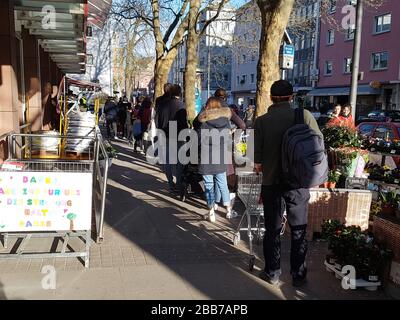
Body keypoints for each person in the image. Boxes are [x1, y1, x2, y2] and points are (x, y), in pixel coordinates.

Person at [254, 80, 322, 287]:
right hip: (298, 183)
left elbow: (257, 161)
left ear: (271, 97)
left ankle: (272, 272)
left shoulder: (262, 121)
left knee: (272, 229)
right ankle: (298, 276)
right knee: (299, 229)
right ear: (291, 97)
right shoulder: (305, 116)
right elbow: (317, 147)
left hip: (272, 183)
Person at [197, 97, 236, 222]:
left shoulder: (204, 124)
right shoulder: (226, 123)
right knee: (223, 184)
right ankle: (229, 210)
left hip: (207, 159)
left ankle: (211, 211)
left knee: (208, 185)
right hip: (220, 158)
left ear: (207, 108)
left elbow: (198, 140)